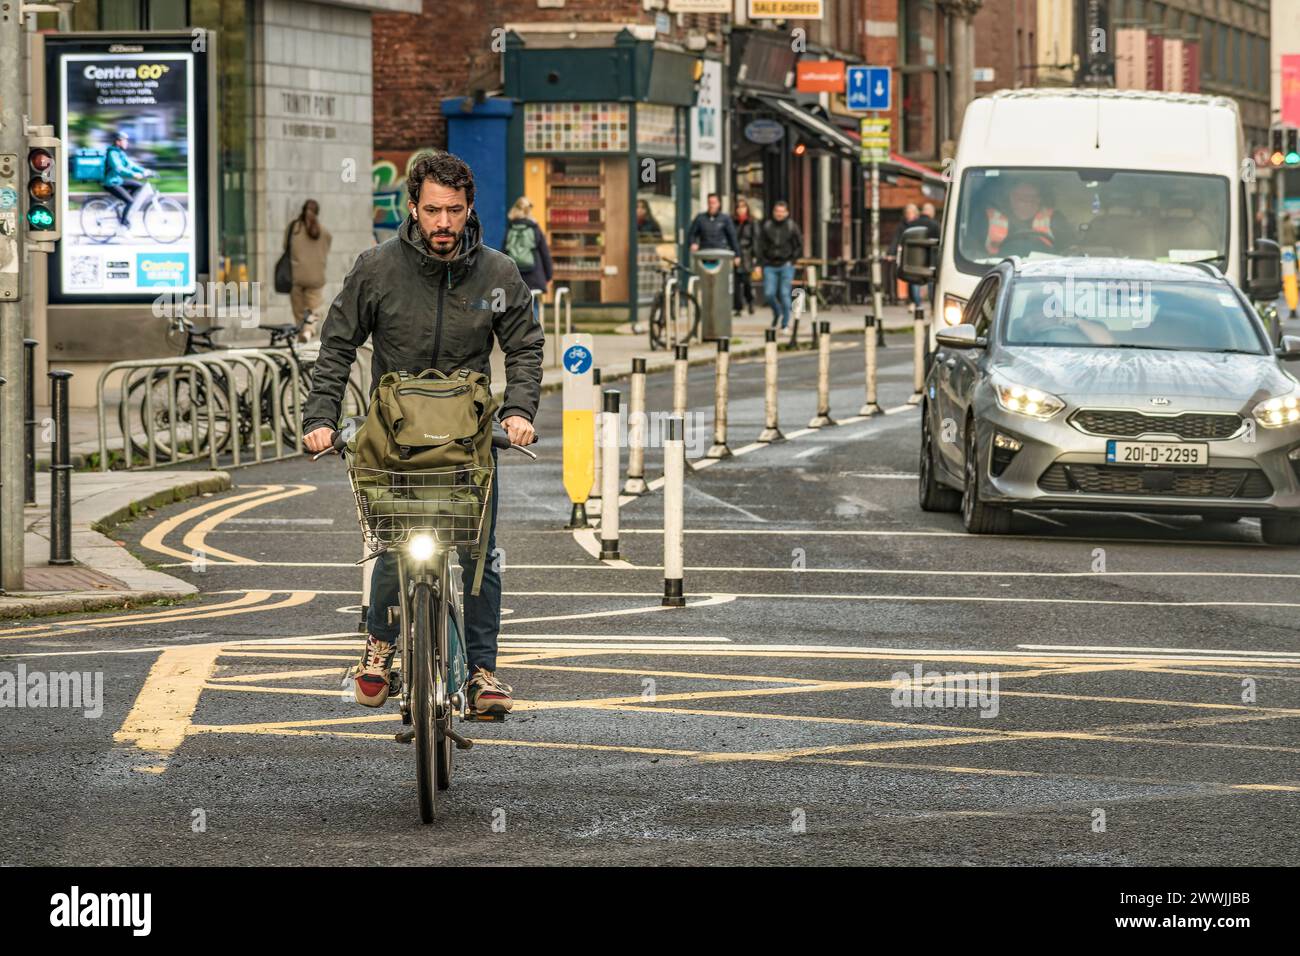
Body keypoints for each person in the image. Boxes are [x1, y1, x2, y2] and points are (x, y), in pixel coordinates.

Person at [302, 152, 543, 717]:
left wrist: (519, 410)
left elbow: (525, 347)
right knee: (393, 541)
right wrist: (320, 419)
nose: (443, 222)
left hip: (471, 441)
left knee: (480, 553)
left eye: (454, 211)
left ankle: (482, 671)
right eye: (432, 209)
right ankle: (380, 647)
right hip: (394, 439)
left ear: (469, 210)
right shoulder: (376, 269)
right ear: (413, 207)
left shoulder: (498, 273)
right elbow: (337, 346)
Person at [978, 181, 1069, 256]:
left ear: (1040, 199)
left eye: (1033, 197)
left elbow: (1068, 251)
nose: (1027, 202)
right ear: (1011, 197)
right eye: (1021, 198)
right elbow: (972, 252)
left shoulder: (1055, 218)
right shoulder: (988, 218)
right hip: (995, 270)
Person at [287, 199, 332, 339]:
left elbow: (286, 247)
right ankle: (308, 330)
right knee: (315, 309)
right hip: (316, 277)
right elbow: (326, 249)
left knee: (299, 310)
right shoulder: (324, 232)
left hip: (296, 275)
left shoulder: (294, 228)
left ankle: (301, 334)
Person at [755, 200, 803, 330]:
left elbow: (799, 245)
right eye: (777, 211)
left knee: (784, 294)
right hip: (769, 265)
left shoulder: (792, 226)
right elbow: (760, 246)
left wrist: (793, 260)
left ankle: (785, 323)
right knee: (769, 293)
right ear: (773, 212)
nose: (779, 214)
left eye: (782, 212)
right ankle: (777, 313)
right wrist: (759, 264)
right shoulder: (767, 226)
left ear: (787, 213)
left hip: (786, 265)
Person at [503, 196, 553, 298]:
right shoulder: (534, 227)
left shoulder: (511, 227)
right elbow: (545, 253)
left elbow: (503, 253)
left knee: (516, 310)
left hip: (514, 277)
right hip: (534, 276)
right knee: (533, 307)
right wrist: (549, 276)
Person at [101, 131, 151, 227]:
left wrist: (144, 171)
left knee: (138, 186)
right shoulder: (112, 153)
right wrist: (133, 175)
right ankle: (123, 225)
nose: (127, 142)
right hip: (110, 183)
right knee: (130, 201)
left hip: (117, 180)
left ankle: (124, 206)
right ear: (118, 142)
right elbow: (119, 168)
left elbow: (131, 165)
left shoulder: (120, 153)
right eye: (125, 140)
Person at [687, 193, 741, 269]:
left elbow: (732, 237)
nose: (712, 205)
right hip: (705, 255)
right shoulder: (700, 218)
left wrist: (737, 255)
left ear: (719, 204)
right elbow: (691, 234)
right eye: (710, 203)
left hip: (720, 255)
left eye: (714, 203)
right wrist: (692, 243)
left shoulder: (725, 219)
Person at [888, 204, 923, 308]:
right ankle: (908, 299)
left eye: (910, 213)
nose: (908, 215)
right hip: (904, 255)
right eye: (907, 213)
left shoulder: (919, 224)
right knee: (904, 277)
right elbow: (896, 239)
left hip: (916, 255)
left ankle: (915, 302)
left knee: (914, 279)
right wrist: (891, 253)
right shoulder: (902, 226)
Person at [732, 197, 758, 316]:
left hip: (747, 254)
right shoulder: (732, 222)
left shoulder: (752, 222)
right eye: (739, 207)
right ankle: (738, 307)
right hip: (734, 255)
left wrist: (755, 256)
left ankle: (750, 301)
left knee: (747, 282)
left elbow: (755, 240)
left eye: (743, 207)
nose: (741, 210)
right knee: (736, 283)